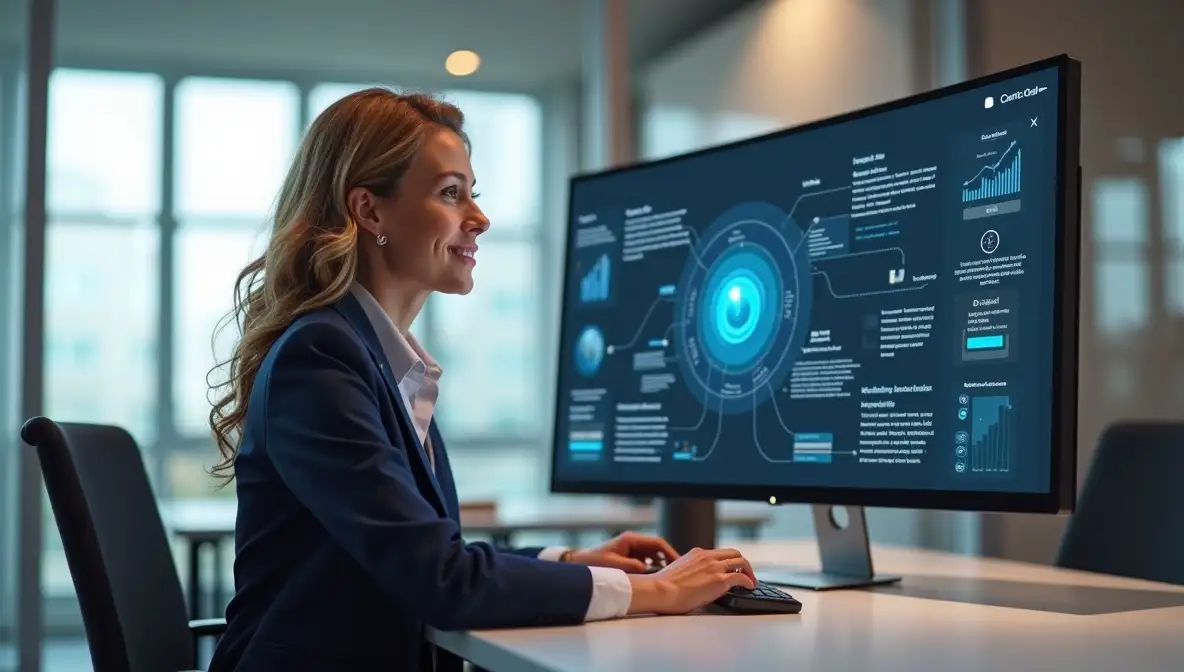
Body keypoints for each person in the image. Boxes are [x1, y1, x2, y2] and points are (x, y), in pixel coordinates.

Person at [204, 88, 757, 672]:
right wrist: (658, 591)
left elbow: (429, 552)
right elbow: (441, 579)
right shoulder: (319, 358)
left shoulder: (380, 361)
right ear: (369, 211)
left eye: (474, 194)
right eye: (450, 194)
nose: (481, 218)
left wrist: (570, 560)